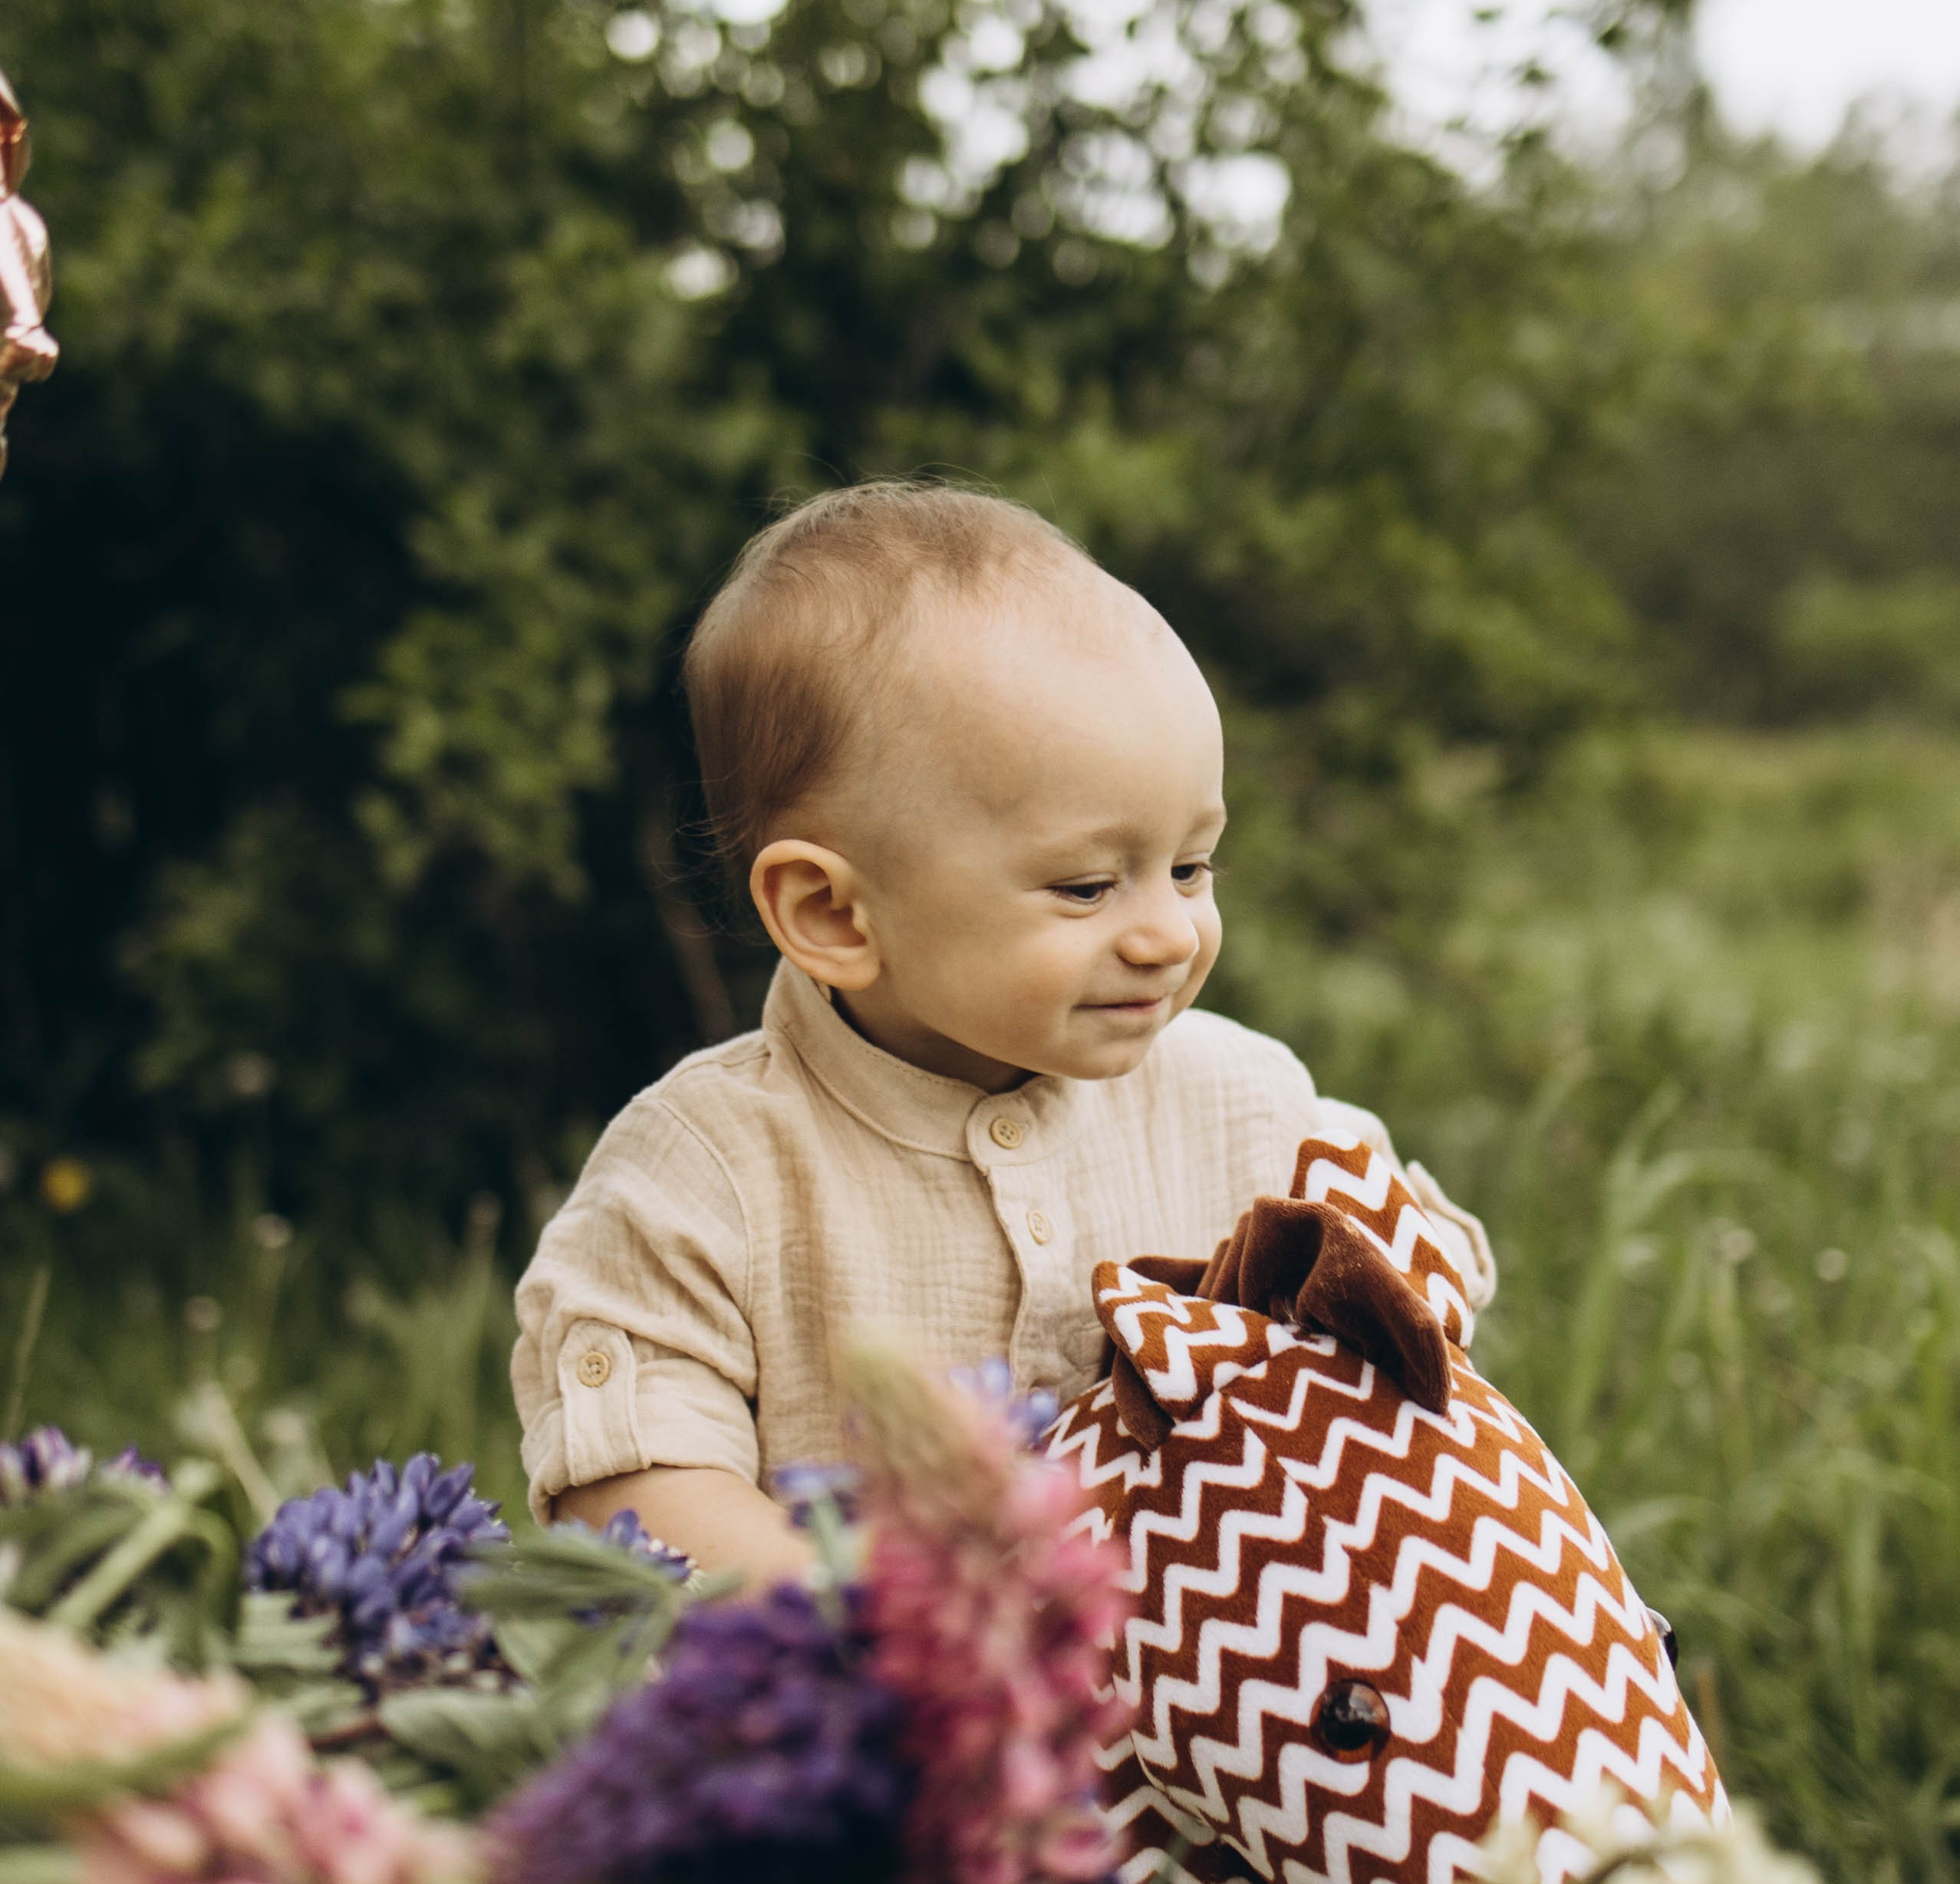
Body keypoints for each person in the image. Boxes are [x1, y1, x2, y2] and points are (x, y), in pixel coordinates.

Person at [512, 480, 1493, 1577]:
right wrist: (879, 1624)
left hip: (1222, 1678)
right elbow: (637, 1496)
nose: (1169, 933)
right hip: (881, 1684)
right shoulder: (704, 1174)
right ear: (834, 913)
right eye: (1087, 886)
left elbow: (1426, 1325)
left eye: (1190, 867)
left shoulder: (1249, 1105)